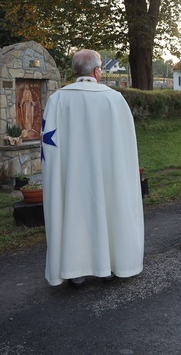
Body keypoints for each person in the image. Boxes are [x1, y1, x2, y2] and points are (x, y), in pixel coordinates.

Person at [41, 49, 144, 287]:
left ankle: (74, 269)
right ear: (97, 71)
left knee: (73, 212)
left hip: (71, 174)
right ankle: (108, 265)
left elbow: (49, 145)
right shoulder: (113, 99)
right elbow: (126, 144)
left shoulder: (58, 99)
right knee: (108, 207)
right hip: (107, 173)